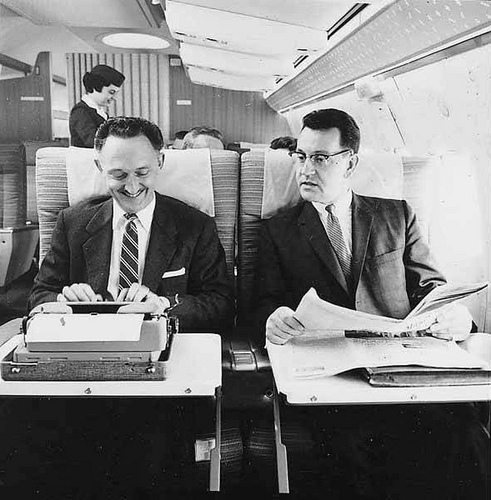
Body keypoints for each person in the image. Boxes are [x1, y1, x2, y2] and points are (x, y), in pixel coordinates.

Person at [251, 108, 488, 498]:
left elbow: (431, 290)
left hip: (401, 369)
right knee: (356, 450)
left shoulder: (397, 215)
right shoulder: (278, 231)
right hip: (335, 380)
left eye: (320, 158)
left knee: (462, 430)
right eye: (301, 156)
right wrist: (274, 318)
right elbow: (263, 303)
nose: (305, 169)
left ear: (350, 163)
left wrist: (456, 317)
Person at [29, 116, 233, 333]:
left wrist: (163, 305)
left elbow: (221, 304)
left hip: (158, 339)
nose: (132, 187)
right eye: (119, 175)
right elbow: (39, 295)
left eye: (142, 173)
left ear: (160, 162)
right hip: (89, 338)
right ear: (100, 167)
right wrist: (63, 302)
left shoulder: (195, 225)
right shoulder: (72, 222)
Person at [69, 64, 125, 148]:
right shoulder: (80, 111)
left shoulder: (101, 113)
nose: (114, 98)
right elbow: (94, 142)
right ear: (96, 87)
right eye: (111, 92)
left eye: (116, 93)